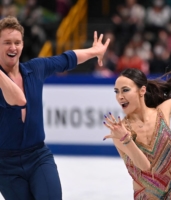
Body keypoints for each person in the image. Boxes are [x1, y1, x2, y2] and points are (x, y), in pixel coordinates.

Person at [0, 16, 110, 200]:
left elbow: (66, 59)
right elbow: (18, 99)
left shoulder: (36, 68)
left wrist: (93, 51)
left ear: (23, 44)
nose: (13, 47)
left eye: (17, 42)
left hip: (38, 156)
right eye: (7, 42)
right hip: (5, 165)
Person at [103, 68, 171, 199]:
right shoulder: (120, 131)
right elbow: (144, 166)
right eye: (116, 92)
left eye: (125, 90)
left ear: (142, 90)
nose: (120, 97)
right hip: (146, 194)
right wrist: (126, 139)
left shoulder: (163, 111)